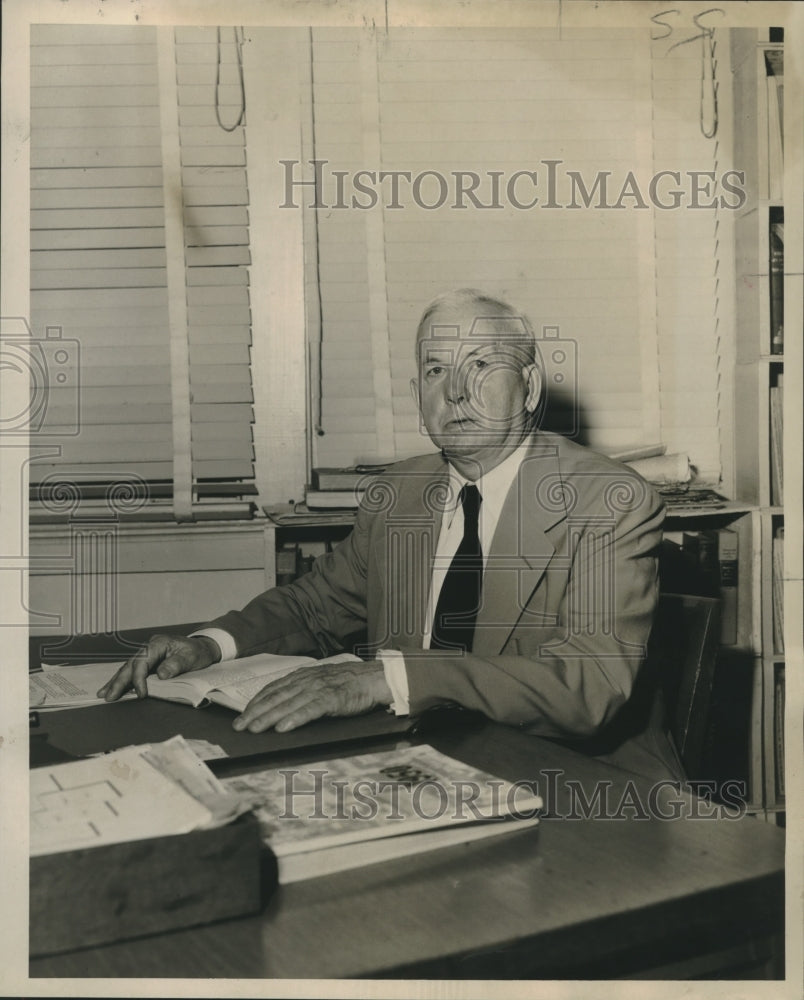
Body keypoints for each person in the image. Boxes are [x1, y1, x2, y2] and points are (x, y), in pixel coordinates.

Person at [100, 288, 682, 781]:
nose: (456, 391)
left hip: (582, 781)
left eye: (481, 365)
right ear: (417, 399)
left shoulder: (608, 500)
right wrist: (209, 645)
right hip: (418, 762)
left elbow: (590, 684)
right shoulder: (398, 494)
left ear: (528, 389)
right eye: (435, 371)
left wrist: (389, 677)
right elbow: (312, 606)